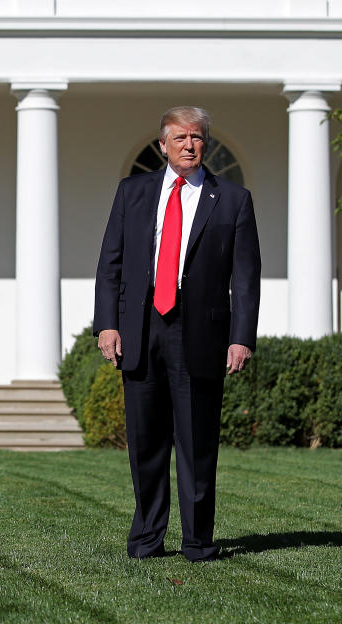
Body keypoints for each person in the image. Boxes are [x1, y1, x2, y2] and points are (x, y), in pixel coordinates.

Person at [93, 106, 261, 562]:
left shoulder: (232, 199)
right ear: (162, 144)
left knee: (196, 443)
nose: (190, 145)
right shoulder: (133, 192)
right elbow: (111, 262)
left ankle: (198, 542)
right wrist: (107, 324)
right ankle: (147, 539)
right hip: (141, 325)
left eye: (198, 137)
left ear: (206, 144)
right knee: (145, 442)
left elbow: (245, 277)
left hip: (200, 330)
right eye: (181, 137)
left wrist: (242, 336)